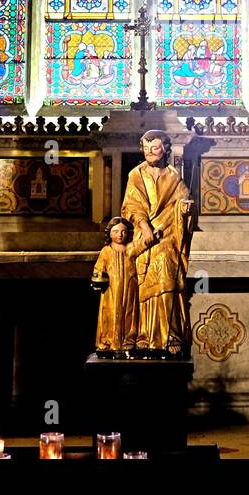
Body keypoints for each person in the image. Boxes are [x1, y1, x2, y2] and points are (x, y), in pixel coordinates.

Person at [121, 130, 195, 357]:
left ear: (165, 149)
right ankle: (144, 334)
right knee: (141, 280)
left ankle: (171, 333)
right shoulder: (136, 174)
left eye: (154, 148)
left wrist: (186, 209)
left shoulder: (173, 176)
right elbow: (131, 206)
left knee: (167, 270)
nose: (150, 152)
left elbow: (180, 204)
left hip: (168, 235)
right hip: (143, 236)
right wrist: (144, 227)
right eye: (146, 148)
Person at [91, 217, 143, 357]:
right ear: (109, 233)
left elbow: (144, 245)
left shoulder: (131, 248)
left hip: (130, 287)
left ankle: (128, 341)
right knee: (110, 313)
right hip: (111, 290)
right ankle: (108, 341)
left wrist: (154, 235)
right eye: (116, 231)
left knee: (129, 313)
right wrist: (98, 278)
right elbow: (99, 268)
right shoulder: (106, 251)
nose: (120, 235)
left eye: (123, 231)